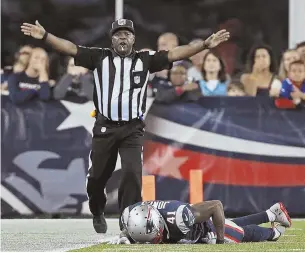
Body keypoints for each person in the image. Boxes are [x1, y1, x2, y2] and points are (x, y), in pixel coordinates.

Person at [21, 19, 230, 233]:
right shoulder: (99, 56)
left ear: (134, 38)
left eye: (127, 34)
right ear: (112, 39)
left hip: (132, 128)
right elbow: (71, 48)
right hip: (105, 128)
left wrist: (204, 45)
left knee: (132, 173)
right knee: (96, 178)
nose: (122, 37)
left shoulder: (145, 60)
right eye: (118, 34)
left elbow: (176, 53)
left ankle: (127, 222)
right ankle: (97, 209)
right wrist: (46, 36)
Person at [110, 200, 290, 244]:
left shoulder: (180, 217)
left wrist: (219, 241)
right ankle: (271, 213)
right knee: (233, 224)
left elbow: (216, 206)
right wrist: (124, 236)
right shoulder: (130, 216)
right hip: (184, 225)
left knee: (238, 234)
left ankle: (274, 233)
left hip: (202, 227)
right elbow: (130, 229)